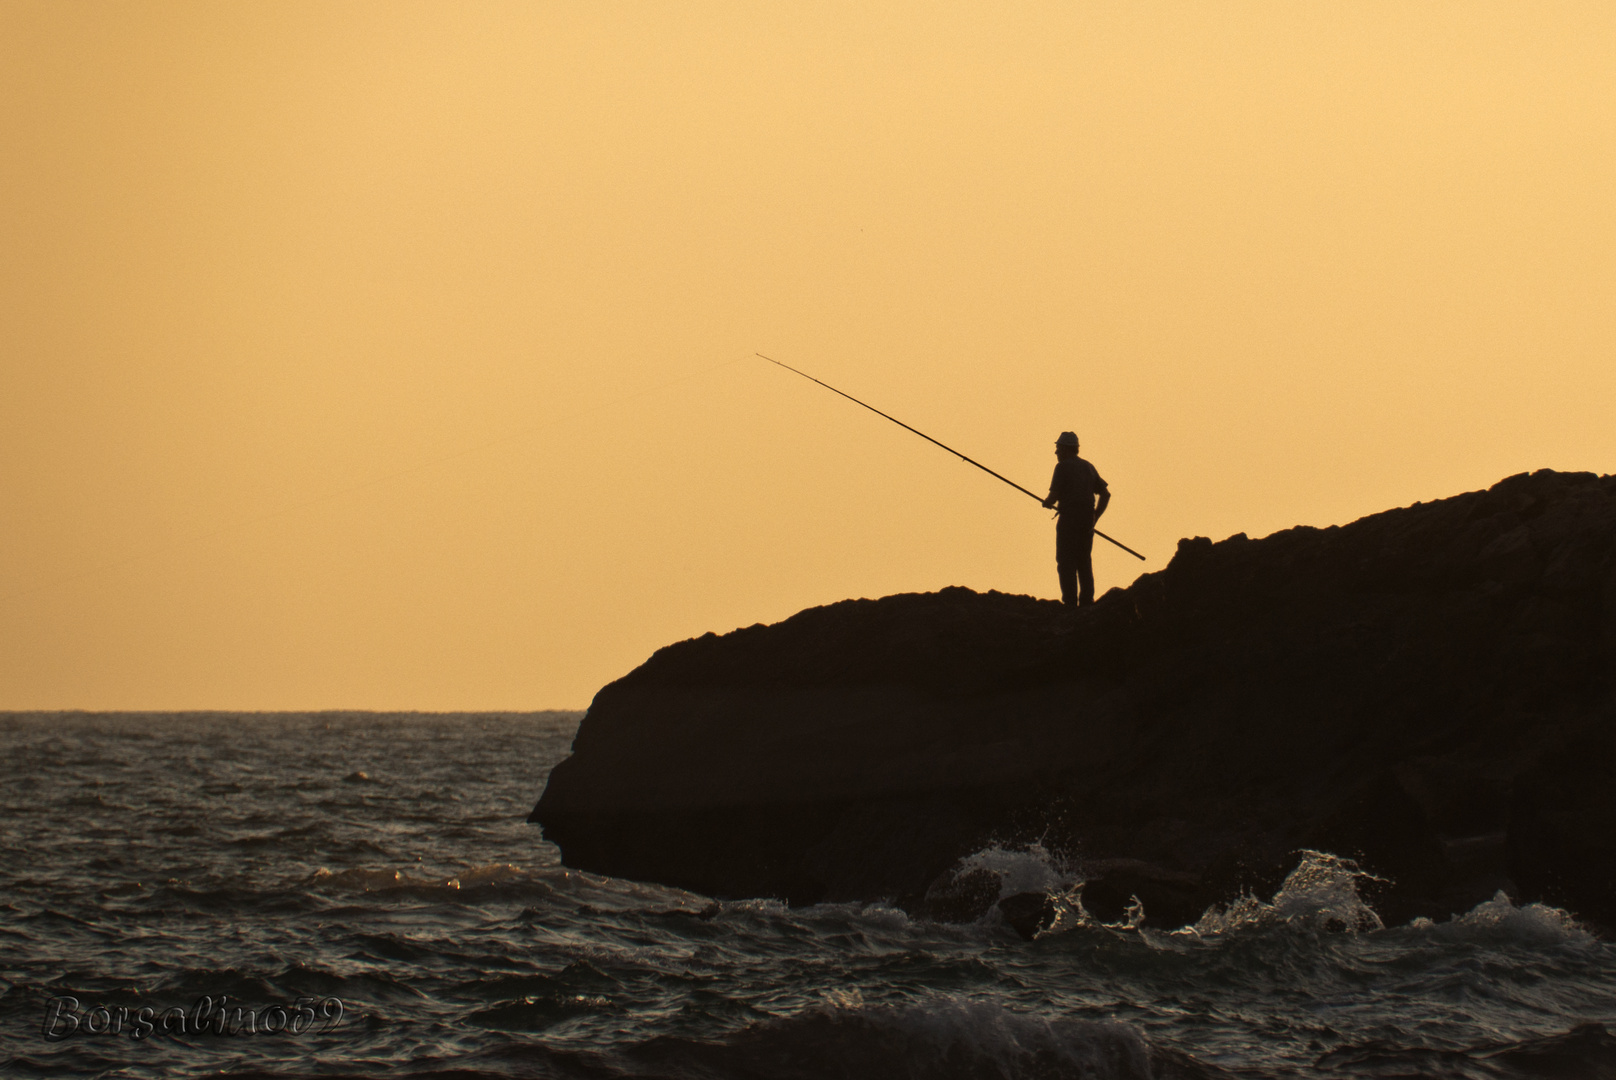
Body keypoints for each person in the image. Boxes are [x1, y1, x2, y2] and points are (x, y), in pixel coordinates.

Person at [1041, 431, 1110, 608]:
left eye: (1057, 449)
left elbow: (1053, 496)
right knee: (1084, 561)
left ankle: (1070, 604)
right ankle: (1087, 602)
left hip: (1069, 521)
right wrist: (1094, 518)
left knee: (1066, 562)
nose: (1056, 453)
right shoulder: (1089, 467)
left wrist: (1047, 502)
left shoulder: (1062, 467)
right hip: (1086, 521)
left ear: (1065, 449)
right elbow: (1105, 494)